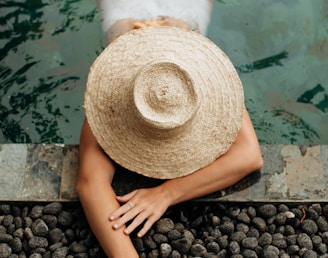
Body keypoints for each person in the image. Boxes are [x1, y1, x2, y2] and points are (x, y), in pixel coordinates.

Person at [77, 1, 263, 257]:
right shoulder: (114, 93)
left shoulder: (201, 78)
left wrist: (166, 193)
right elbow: (90, 184)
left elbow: (250, 156)